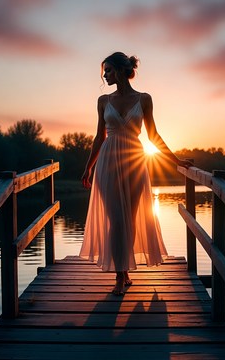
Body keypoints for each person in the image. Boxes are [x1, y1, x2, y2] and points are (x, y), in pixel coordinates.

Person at [80, 52, 192, 295]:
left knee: (127, 220)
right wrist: (88, 167)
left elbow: (153, 136)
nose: (105, 75)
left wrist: (175, 160)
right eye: (104, 71)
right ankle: (120, 276)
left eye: (108, 70)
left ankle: (124, 270)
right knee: (115, 219)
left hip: (135, 161)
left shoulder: (144, 99)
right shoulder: (102, 100)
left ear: (121, 70)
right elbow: (99, 137)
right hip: (108, 161)